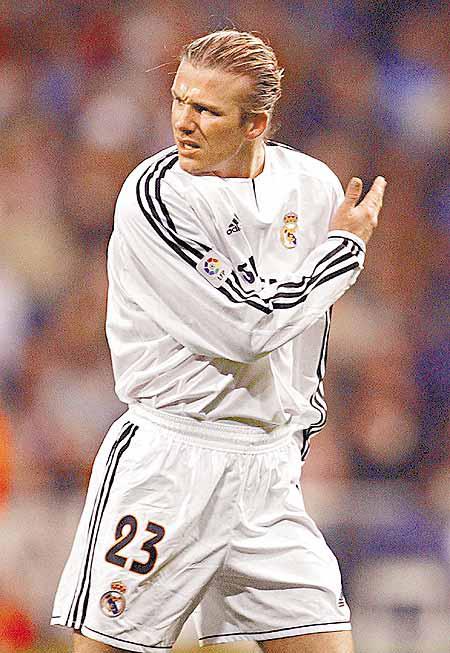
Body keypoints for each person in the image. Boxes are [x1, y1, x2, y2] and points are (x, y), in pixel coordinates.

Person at [51, 30, 386, 653]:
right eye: (179, 100)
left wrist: (297, 431)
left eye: (206, 109)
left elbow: (305, 338)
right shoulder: (157, 197)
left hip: (266, 473)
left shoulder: (311, 186)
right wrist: (346, 250)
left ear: (255, 123)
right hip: (172, 461)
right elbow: (247, 328)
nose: (183, 122)